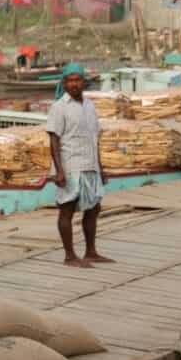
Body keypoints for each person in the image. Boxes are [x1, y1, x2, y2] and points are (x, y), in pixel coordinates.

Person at [47, 63, 114, 269]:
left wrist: (100, 168)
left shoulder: (89, 105)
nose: (74, 84)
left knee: (93, 208)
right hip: (70, 165)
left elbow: (95, 138)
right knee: (67, 210)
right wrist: (59, 170)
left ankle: (91, 251)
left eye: (77, 80)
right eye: (70, 80)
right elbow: (54, 140)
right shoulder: (59, 107)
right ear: (64, 83)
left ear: (84, 81)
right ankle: (69, 255)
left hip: (90, 164)